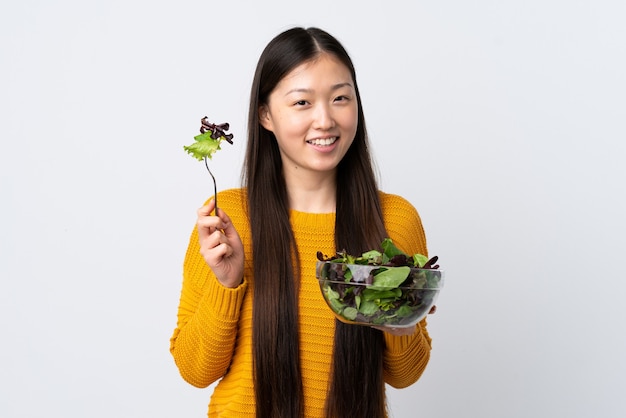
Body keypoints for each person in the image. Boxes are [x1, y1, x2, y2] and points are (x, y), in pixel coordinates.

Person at [170, 26, 434, 418]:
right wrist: (228, 284)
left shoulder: (395, 220)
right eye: (302, 103)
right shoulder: (226, 220)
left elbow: (406, 374)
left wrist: (401, 324)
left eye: (340, 98)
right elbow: (194, 370)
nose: (325, 120)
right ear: (265, 115)